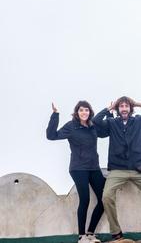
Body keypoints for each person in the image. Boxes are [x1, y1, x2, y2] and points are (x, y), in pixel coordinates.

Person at [93, 96, 141, 242]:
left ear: (130, 109)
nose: (124, 109)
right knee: (106, 196)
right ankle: (116, 233)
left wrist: (138, 103)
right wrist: (109, 109)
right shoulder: (112, 123)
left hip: (139, 169)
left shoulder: (140, 121)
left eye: (126, 106)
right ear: (118, 109)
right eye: (121, 106)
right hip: (118, 169)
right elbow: (96, 122)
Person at [46, 101, 107, 243]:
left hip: (94, 167)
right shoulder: (71, 126)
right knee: (84, 199)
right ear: (77, 112)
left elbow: (106, 132)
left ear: (90, 112)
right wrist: (55, 115)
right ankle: (81, 237)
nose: (84, 112)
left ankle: (90, 233)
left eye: (86, 110)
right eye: (81, 110)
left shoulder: (93, 127)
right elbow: (51, 136)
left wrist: (108, 111)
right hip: (78, 168)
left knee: (104, 199)